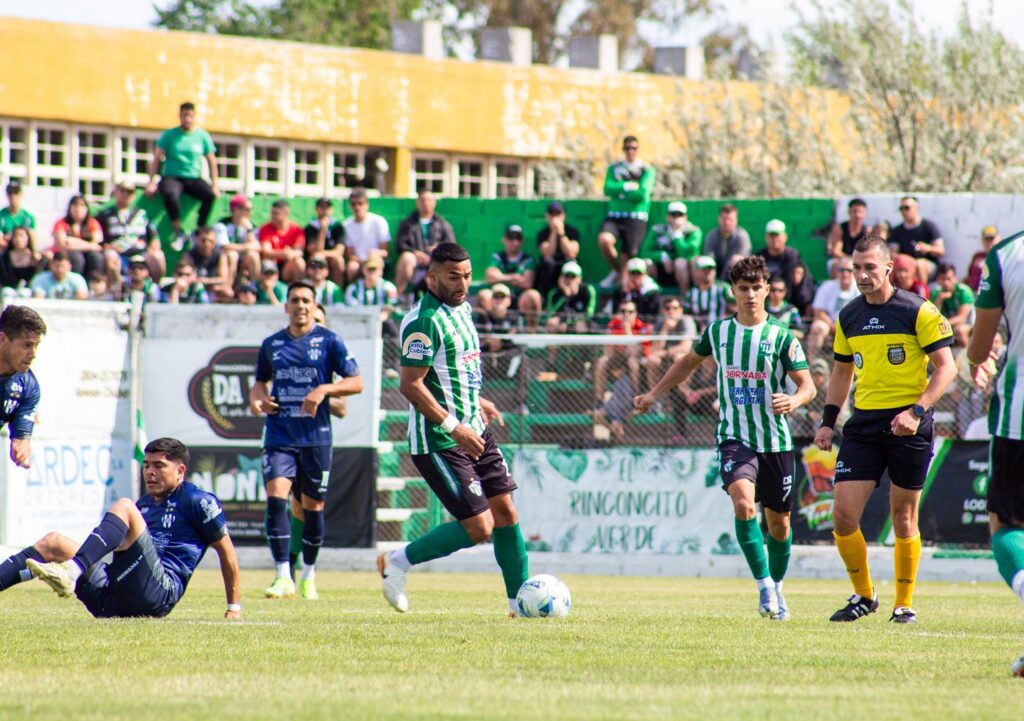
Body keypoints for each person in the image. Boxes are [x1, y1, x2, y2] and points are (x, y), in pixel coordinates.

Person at [635, 255, 814, 620]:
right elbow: (687, 362)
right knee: (745, 505)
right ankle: (764, 585)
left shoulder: (781, 336)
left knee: (779, 525)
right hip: (735, 437)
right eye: (743, 289)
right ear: (732, 291)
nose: (750, 295)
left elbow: (808, 385)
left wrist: (794, 399)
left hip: (777, 441)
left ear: (766, 289)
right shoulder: (718, 332)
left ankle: (778, 587)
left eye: (756, 288)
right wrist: (654, 393)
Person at [378, 242, 529, 617]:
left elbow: (454, 372)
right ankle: (396, 561)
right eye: (453, 277)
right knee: (480, 527)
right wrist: (454, 425)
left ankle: (519, 605)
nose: (462, 283)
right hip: (440, 439)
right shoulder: (423, 320)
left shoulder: (463, 310)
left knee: (506, 513)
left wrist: (478, 401)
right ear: (431, 277)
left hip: (474, 429)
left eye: (467, 275)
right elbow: (411, 385)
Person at [812, 236, 956, 624]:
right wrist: (828, 421)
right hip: (864, 424)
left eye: (869, 267)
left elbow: (947, 368)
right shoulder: (849, 315)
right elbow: (842, 371)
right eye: (855, 268)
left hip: (910, 423)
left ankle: (903, 603)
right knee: (843, 516)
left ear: (888, 267)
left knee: (903, 516)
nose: (861, 275)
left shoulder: (917, 310)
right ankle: (864, 595)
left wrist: (916, 411)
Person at [2, 438, 242, 620]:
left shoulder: (198, 500)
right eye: (146, 465)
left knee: (125, 506)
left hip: (157, 594)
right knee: (53, 543)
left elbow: (227, 552)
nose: (149, 472)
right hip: (114, 600)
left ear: (180, 471)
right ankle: (69, 571)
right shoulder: (145, 505)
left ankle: (71, 572)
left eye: (159, 466)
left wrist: (233, 608)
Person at [249, 280, 363, 600]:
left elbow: (357, 383)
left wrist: (324, 389)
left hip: (315, 438)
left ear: (314, 307)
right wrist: (259, 401)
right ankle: (283, 575)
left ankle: (309, 576)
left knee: (313, 509)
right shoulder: (271, 344)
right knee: (276, 498)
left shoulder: (330, 342)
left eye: (306, 301)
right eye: (295, 300)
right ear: (286, 307)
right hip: (279, 434)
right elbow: (259, 384)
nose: (300, 306)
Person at [965, 228, 1024, 676]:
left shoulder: (1007, 255)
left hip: (1019, 416)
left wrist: (979, 360)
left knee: (1005, 524)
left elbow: (980, 347)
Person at [145, 101, 219, 248]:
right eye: (184, 115)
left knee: (209, 195)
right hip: (173, 176)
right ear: (180, 116)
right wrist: (151, 182)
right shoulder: (169, 135)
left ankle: (199, 228)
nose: (187, 119)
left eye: (190, 116)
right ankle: (177, 229)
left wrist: (215, 185)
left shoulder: (202, 136)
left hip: (193, 177)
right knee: (169, 193)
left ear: (194, 117)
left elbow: (212, 161)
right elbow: (157, 158)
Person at [597, 135, 656, 285]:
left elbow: (642, 194)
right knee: (604, 240)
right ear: (623, 149)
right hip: (615, 216)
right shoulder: (614, 168)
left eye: (634, 148)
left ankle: (620, 282)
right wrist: (628, 186)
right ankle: (616, 271)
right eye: (627, 148)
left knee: (627, 254)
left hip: (636, 216)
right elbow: (608, 189)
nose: (631, 151)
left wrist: (621, 193)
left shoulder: (647, 169)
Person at [0, 305, 44, 468]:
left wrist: (21, 449)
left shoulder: (28, 388)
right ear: (3, 339)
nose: (33, 354)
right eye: (27, 345)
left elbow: (21, 441)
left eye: (36, 345)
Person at [96, 180, 165, 281]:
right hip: (118, 253)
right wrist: (107, 246)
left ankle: (154, 289)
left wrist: (153, 248)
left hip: (141, 252)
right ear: (116, 193)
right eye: (122, 191)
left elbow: (154, 237)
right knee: (110, 255)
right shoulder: (105, 215)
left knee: (158, 256)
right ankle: (116, 290)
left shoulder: (142, 214)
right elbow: (98, 239)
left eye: (129, 192)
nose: (125, 195)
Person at [394, 189, 456, 299]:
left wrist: (438, 249)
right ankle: (401, 297)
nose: (425, 203)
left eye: (428, 200)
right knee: (406, 257)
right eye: (422, 200)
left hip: (435, 260)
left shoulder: (443, 224)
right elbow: (400, 245)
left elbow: (452, 246)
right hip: (414, 261)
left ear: (434, 203)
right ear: (417, 202)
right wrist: (415, 253)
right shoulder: (407, 223)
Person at [593, 302, 651, 410]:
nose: (626, 314)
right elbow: (608, 351)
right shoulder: (613, 324)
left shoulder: (642, 327)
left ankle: (635, 397)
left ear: (636, 313)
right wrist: (616, 366)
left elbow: (635, 352)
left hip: (637, 362)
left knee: (632, 362)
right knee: (602, 361)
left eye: (630, 311)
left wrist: (627, 330)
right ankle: (599, 400)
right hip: (617, 359)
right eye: (623, 311)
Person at [484, 224, 542, 330]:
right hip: (500, 297)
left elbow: (527, 282)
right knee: (485, 295)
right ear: (504, 240)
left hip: (519, 298)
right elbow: (490, 277)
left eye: (518, 238)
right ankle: (488, 335)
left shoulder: (527, 259)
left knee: (533, 295)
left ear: (522, 241)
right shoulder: (497, 257)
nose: (515, 242)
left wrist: (501, 277)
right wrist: (513, 277)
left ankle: (531, 337)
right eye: (511, 238)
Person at [638, 201, 702, 291]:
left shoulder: (693, 231)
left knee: (680, 263)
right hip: (661, 270)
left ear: (685, 217)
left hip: (684, 273)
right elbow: (644, 252)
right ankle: (653, 296)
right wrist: (662, 256)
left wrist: (677, 236)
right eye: (673, 215)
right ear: (667, 217)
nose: (676, 218)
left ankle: (685, 298)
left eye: (679, 215)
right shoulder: (657, 230)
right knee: (646, 263)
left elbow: (689, 253)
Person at [805, 257, 858, 360]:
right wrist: (833, 325)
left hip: (852, 325)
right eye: (842, 270)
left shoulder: (859, 288)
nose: (845, 273)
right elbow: (818, 312)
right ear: (837, 271)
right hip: (830, 324)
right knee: (818, 327)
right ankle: (812, 363)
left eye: (849, 270)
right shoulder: (827, 287)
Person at [51, 194, 109, 280]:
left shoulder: (92, 223)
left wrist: (73, 241)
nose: (78, 209)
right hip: (67, 255)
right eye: (75, 205)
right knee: (77, 257)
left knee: (96, 257)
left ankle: (95, 284)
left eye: (82, 205)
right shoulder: (61, 223)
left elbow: (98, 244)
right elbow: (62, 244)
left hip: (88, 254)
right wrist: (89, 245)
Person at [889, 196, 944, 282]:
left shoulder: (929, 226)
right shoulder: (897, 230)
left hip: (927, 265)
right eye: (901, 208)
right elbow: (893, 252)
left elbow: (941, 250)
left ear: (916, 208)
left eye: (907, 208)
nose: (904, 211)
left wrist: (928, 248)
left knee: (919, 264)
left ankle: (921, 294)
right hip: (905, 264)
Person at [534, 201, 580, 301]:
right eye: (551, 213)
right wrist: (554, 233)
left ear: (563, 215)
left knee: (571, 266)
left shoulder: (572, 231)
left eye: (557, 213)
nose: (554, 217)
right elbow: (548, 253)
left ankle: (571, 300)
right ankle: (545, 300)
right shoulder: (542, 234)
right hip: (550, 271)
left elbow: (571, 253)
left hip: (566, 269)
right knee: (547, 263)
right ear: (547, 216)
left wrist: (561, 233)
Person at [343, 188, 390, 283]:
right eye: (353, 204)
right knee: (352, 267)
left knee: (374, 263)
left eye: (360, 203)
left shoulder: (379, 221)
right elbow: (350, 254)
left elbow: (385, 252)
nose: (357, 207)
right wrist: (362, 261)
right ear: (350, 206)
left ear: (367, 205)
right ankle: (353, 292)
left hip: (376, 259)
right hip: (358, 262)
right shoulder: (346, 225)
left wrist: (373, 255)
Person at [213, 194, 261, 287]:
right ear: (236, 210)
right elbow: (224, 246)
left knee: (253, 256)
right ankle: (227, 287)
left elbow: (257, 247)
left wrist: (249, 231)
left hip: (243, 259)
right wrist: (247, 247)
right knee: (232, 254)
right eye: (247, 209)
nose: (250, 213)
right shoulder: (222, 224)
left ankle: (255, 288)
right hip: (223, 258)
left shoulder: (251, 226)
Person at [682, 255, 735, 330]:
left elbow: (736, 307)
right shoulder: (691, 293)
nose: (708, 272)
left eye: (710, 269)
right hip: (698, 332)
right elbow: (686, 314)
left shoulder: (723, 288)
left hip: (720, 329)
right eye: (704, 269)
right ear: (696, 272)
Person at [304, 197, 347, 287]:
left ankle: (338, 292)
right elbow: (315, 250)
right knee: (317, 258)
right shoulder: (310, 228)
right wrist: (323, 229)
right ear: (316, 209)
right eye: (322, 207)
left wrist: (324, 254)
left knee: (338, 260)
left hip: (330, 257)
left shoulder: (338, 227)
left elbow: (339, 251)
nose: (325, 211)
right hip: (316, 258)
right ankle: (314, 289)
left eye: (327, 208)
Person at [544, 261, 596, 334]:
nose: (569, 280)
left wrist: (573, 320)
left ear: (579, 278)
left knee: (580, 326)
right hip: (562, 321)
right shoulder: (554, 293)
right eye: (566, 276)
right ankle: (555, 345)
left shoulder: (588, 290)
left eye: (573, 277)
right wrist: (566, 296)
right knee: (553, 324)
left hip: (579, 321)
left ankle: (580, 345)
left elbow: (589, 314)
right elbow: (551, 313)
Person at [259, 200, 306, 282]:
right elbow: (266, 251)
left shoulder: (296, 229)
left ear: (286, 213)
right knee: (267, 262)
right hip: (272, 264)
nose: (273, 216)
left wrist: (290, 254)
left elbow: (299, 251)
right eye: (272, 213)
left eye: (276, 213)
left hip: (287, 265)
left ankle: (297, 289)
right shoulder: (266, 228)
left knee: (299, 262)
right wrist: (284, 253)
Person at [930, 262, 975, 347]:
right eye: (943, 279)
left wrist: (941, 326)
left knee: (960, 331)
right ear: (937, 279)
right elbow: (933, 318)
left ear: (954, 278)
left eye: (949, 279)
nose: (946, 283)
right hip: (948, 327)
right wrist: (939, 301)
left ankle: (967, 358)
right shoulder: (935, 294)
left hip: (970, 326)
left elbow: (962, 318)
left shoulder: (963, 291)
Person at [756, 220, 805, 293]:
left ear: (785, 237)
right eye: (771, 235)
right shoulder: (759, 257)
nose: (774, 239)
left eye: (777, 235)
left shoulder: (793, 255)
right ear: (766, 237)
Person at [703, 204, 751, 276]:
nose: (726, 222)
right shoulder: (712, 235)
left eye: (730, 219)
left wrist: (722, 280)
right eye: (724, 219)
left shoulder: (742, 236)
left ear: (736, 221)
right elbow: (709, 256)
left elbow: (743, 259)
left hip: (736, 276)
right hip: (715, 273)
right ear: (719, 219)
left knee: (737, 260)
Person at [188, 226, 232, 300]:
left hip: (212, 287)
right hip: (195, 287)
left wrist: (205, 281)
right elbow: (187, 276)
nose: (207, 244)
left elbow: (223, 279)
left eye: (210, 241)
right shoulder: (190, 255)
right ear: (197, 240)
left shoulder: (220, 255)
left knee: (228, 292)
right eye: (203, 240)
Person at [826, 198, 868, 272]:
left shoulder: (867, 231)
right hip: (842, 260)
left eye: (860, 212)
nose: (858, 215)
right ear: (849, 212)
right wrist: (850, 260)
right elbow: (836, 252)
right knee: (835, 265)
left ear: (865, 213)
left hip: (860, 261)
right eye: (854, 211)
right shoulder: (840, 228)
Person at [0, 226, 40, 292]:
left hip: (28, 291)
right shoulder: (4, 257)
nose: (18, 239)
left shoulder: (34, 257)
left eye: (21, 236)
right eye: (15, 236)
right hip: (8, 289)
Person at [0, 180, 37, 248]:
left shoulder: (28, 217)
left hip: (23, 251)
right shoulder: (1, 215)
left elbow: (32, 239)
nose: (13, 196)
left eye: (16, 192)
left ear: (21, 194)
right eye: (10, 193)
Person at [965, 226, 999, 292]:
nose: (989, 242)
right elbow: (969, 275)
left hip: (990, 295)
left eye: (991, 239)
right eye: (986, 239)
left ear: (998, 239)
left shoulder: (1001, 258)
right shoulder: (977, 256)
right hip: (974, 294)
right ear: (982, 240)